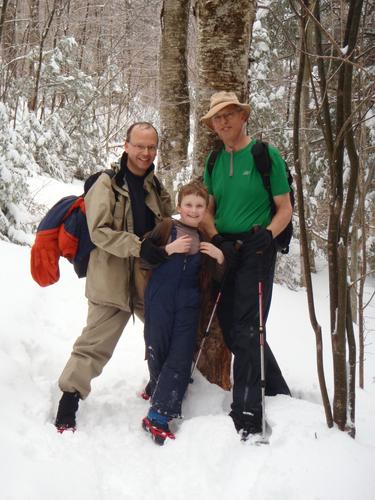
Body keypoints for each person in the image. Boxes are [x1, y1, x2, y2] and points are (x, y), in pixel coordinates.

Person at [54, 122, 173, 432]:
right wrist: (139, 246)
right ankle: (69, 400)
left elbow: (171, 221)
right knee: (94, 343)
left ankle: (159, 384)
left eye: (151, 147)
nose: (146, 153)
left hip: (147, 279)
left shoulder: (156, 187)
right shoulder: (105, 184)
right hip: (110, 277)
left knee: (167, 334)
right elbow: (100, 231)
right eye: (140, 146)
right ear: (126, 145)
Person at [200, 91, 291, 439]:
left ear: (242, 117)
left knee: (248, 326)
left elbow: (284, 207)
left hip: (256, 248)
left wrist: (267, 236)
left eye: (229, 115)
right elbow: (209, 208)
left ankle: (248, 411)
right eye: (217, 118)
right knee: (229, 321)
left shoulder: (265, 155)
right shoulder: (214, 161)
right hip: (227, 249)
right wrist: (218, 238)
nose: (223, 122)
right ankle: (278, 389)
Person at [140, 181, 224, 445]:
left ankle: (158, 416)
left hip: (189, 302)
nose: (194, 210)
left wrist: (220, 258)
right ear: (179, 206)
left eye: (200, 206)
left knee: (181, 353)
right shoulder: (166, 227)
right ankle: (157, 386)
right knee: (158, 347)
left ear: (205, 209)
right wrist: (167, 249)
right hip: (160, 297)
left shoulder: (207, 237)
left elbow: (217, 278)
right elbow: (143, 256)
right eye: (189, 204)